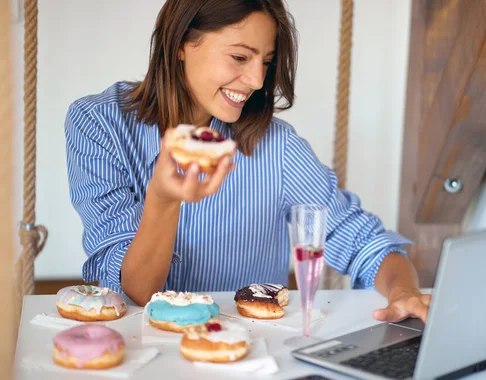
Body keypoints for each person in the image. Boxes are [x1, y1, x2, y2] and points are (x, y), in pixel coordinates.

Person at [64, 0, 430, 323]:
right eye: (240, 57)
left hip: (249, 356)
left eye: (266, 62)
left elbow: (362, 240)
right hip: (142, 359)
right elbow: (136, 292)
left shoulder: (276, 144)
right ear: (180, 43)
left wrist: (403, 292)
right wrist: (163, 199)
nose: (256, 80)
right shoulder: (98, 125)